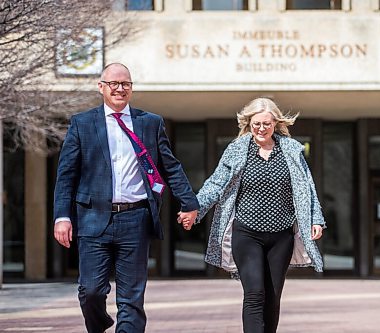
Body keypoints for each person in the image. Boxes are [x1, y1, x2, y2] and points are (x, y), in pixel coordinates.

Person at [53, 63, 199, 333]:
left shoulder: (150, 123)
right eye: (114, 84)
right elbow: (66, 176)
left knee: (131, 299)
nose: (120, 89)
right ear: (101, 87)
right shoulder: (82, 123)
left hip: (136, 217)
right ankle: (100, 324)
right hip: (93, 218)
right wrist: (62, 216)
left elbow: (170, 166)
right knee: (91, 291)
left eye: (126, 84)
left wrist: (189, 203)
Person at [179, 97, 326, 333]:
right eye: (256, 123)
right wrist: (194, 208)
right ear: (248, 123)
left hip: (282, 235)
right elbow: (216, 183)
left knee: (273, 296)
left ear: (275, 124)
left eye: (266, 124)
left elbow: (307, 186)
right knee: (255, 292)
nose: (261, 129)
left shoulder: (290, 150)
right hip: (247, 233)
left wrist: (315, 218)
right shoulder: (238, 149)